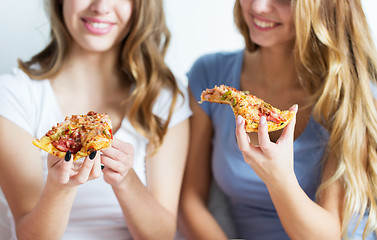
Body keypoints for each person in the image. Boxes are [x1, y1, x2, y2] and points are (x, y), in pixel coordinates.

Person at [178, 0, 377, 239]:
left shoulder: (353, 94)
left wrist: (278, 178)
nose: (259, 7)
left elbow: (329, 234)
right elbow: (190, 203)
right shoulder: (210, 74)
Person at [0, 0, 191, 239]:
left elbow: (161, 235)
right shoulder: (14, 95)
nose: (101, 7)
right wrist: (60, 187)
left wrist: (125, 180)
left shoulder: (165, 99)